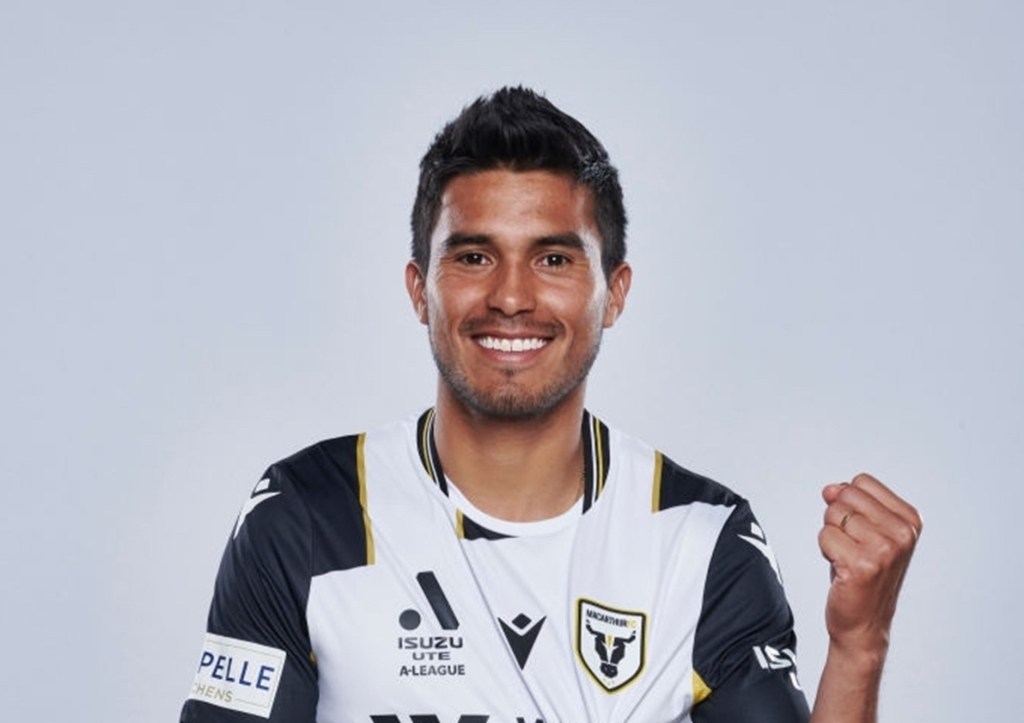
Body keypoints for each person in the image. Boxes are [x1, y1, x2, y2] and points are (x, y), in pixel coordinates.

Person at [180, 87, 921, 723]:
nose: (511, 296)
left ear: (614, 294)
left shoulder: (699, 540)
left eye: (554, 258)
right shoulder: (306, 515)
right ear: (419, 289)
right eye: (474, 256)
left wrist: (860, 645)